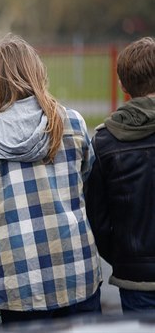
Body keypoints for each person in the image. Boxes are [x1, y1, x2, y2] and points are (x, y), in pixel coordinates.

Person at [0, 34, 102, 325]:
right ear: (37, 72)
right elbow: (85, 179)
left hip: (17, 284)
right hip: (78, 273)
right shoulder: (73, 123)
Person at [86, 37, 155, 313]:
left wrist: (122, 258)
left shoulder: (105, 140)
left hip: (134, 278)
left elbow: (97, 219)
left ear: (123, 86)